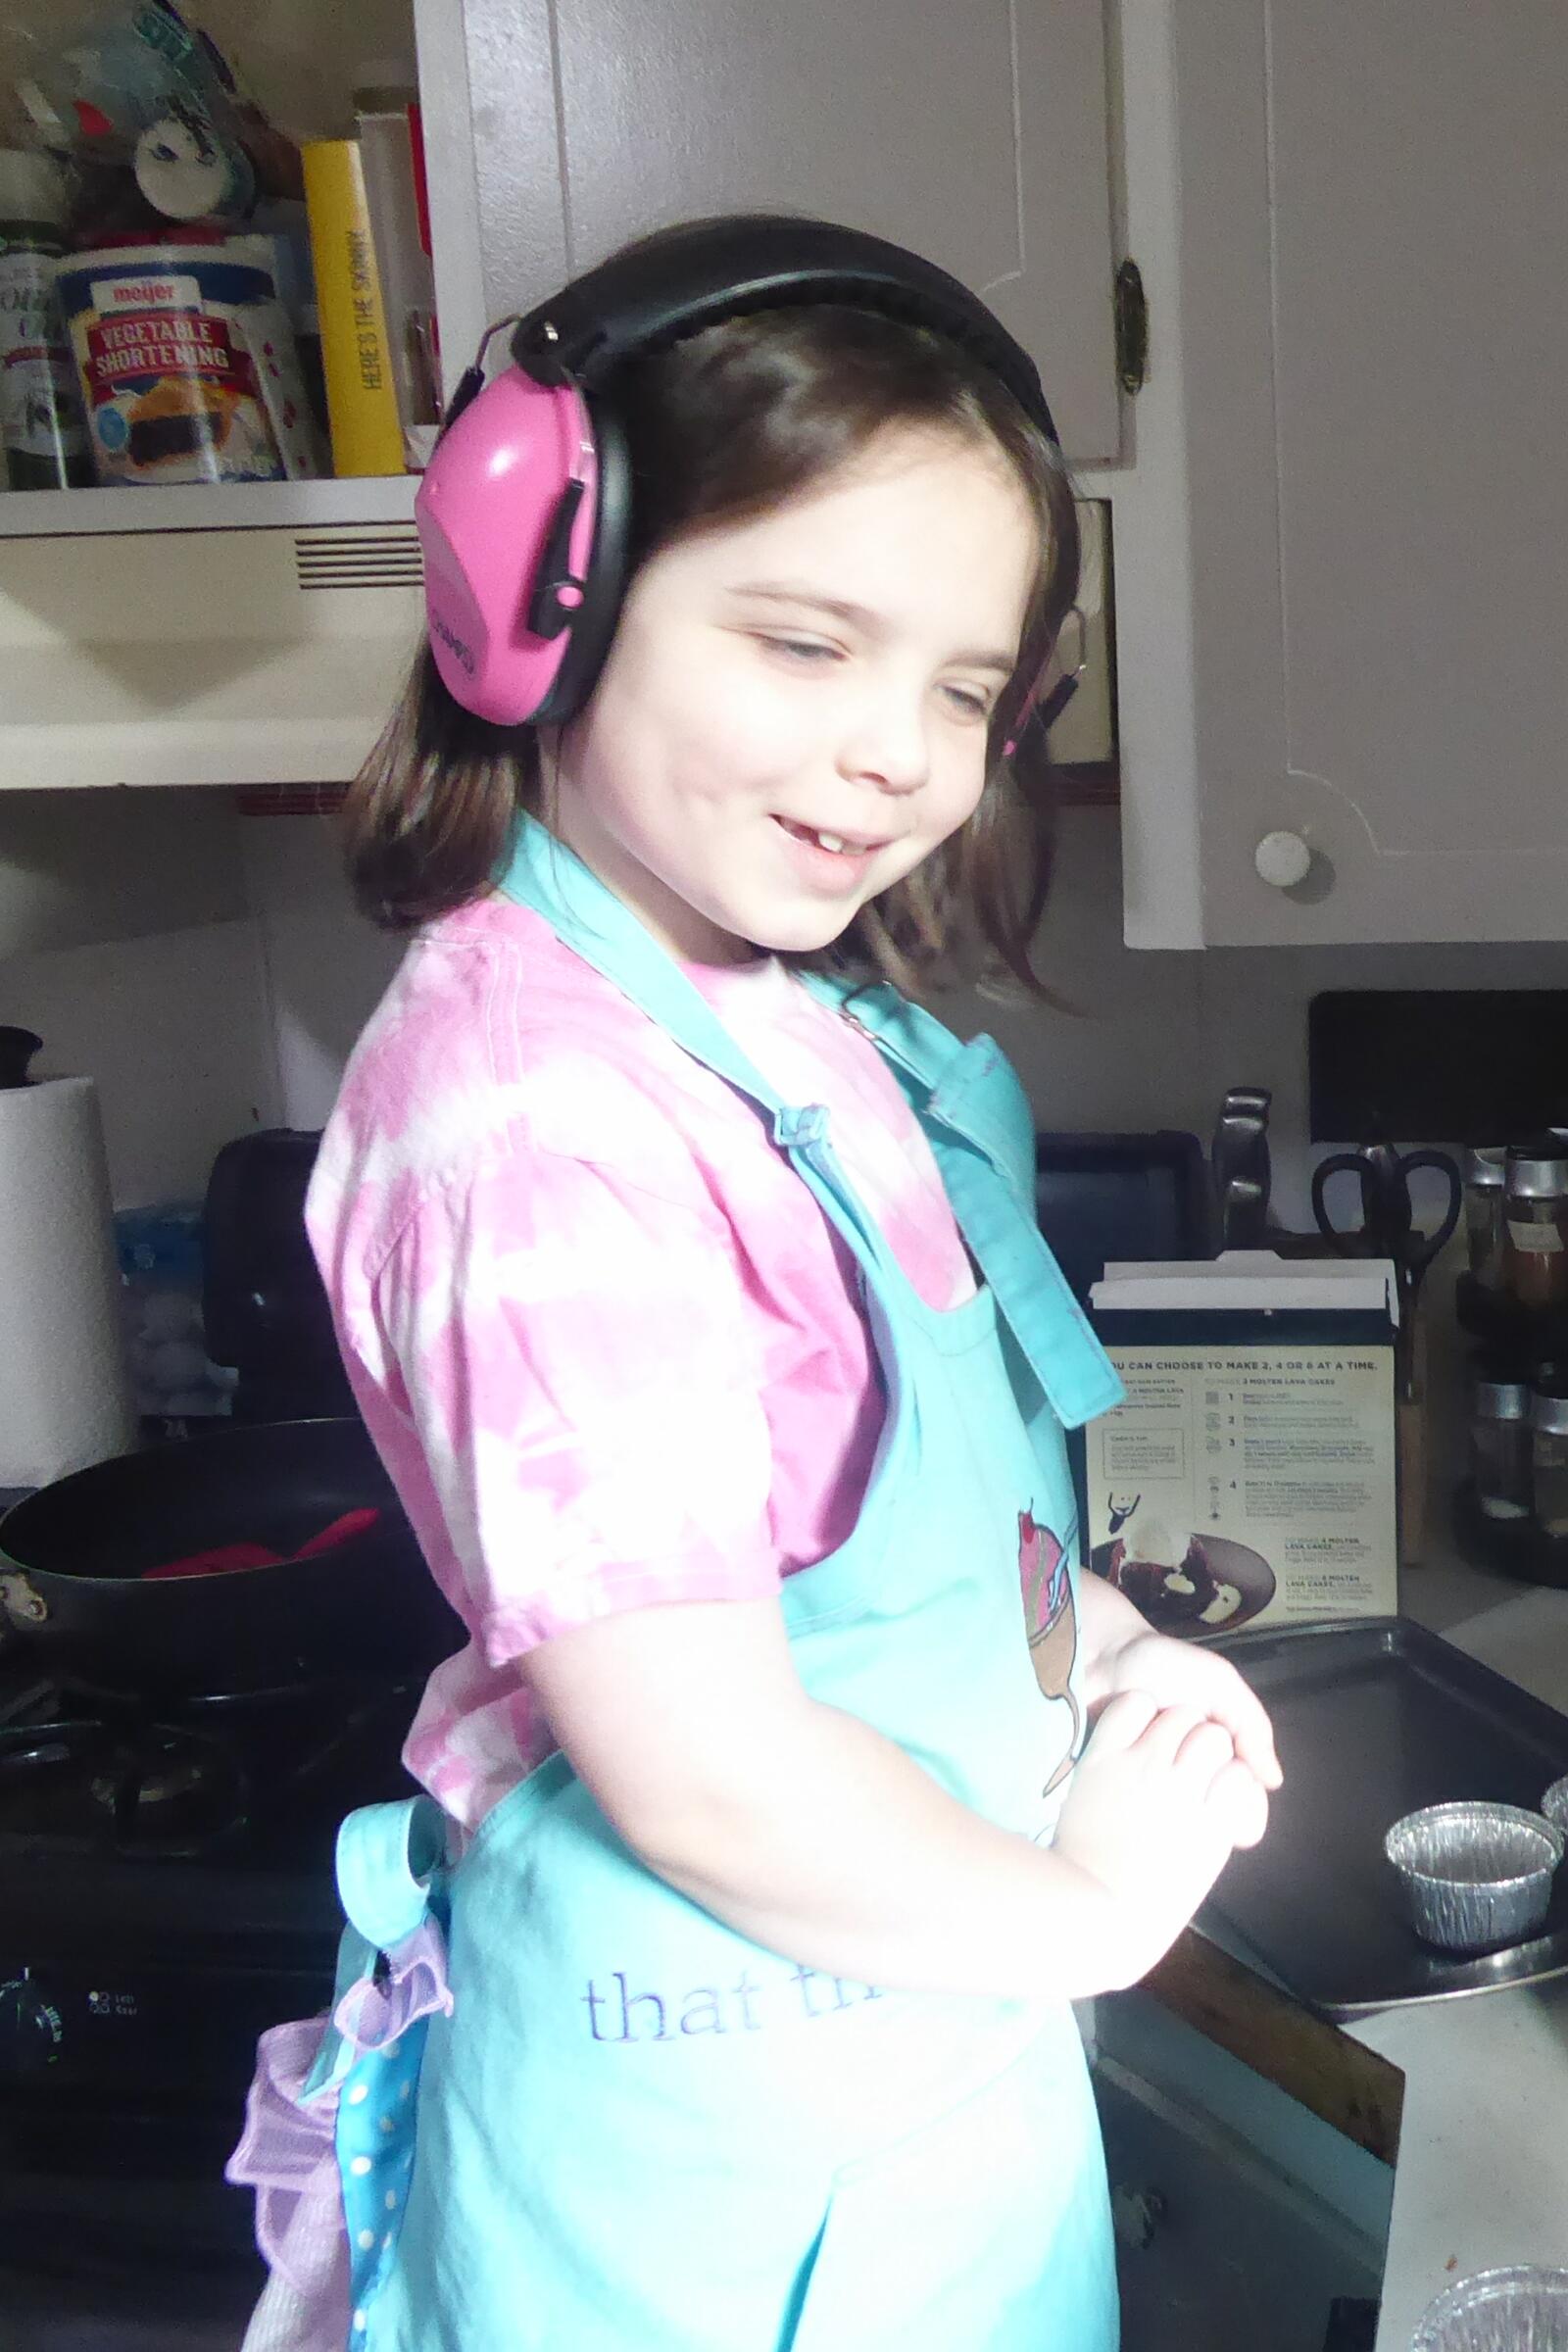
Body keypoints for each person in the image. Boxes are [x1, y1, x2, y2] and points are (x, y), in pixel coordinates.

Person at [227, 214, 1281, 2352]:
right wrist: (1095, 1911)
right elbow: (704, 1776)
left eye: (965, 690)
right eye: (806, 643)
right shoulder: (531, 1117)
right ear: (541, 603)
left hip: (922, 2106)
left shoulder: (793, 1026)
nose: (902, 751)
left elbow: (920, 1549)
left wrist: (1104, 1651)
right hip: (713, 2208)